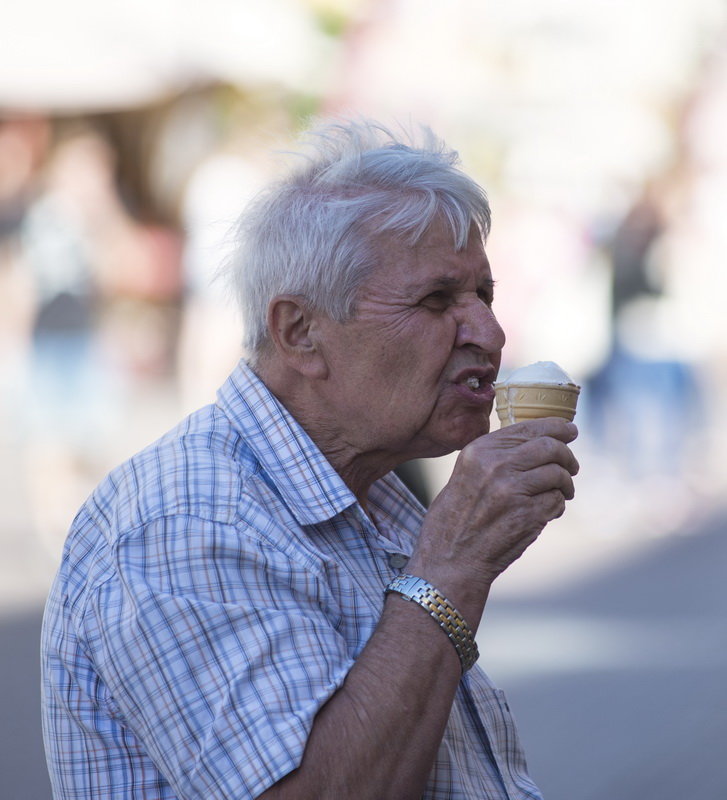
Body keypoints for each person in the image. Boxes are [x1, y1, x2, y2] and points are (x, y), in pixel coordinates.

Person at [41, 118, 579, 800]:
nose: (488, 332)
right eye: (437, 299)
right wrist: (452, 566)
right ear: (299, 331)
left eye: (484, 295)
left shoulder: (364, 492)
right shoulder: (191, 521)